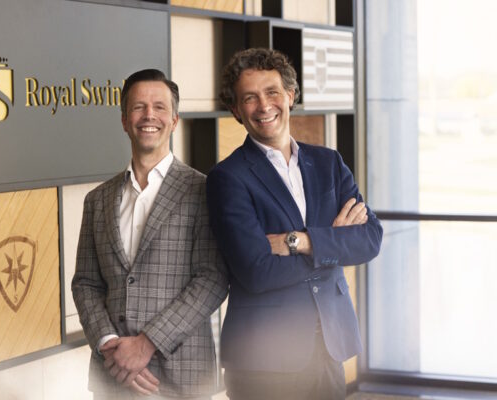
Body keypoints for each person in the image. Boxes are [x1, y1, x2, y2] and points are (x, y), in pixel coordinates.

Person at [206, 48, 383, 400]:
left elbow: (369, 239)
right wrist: (332, 243)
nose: (264, 106)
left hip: (329, 346)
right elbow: (256, 270)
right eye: (249, 98)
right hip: (264, 357)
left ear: (290, 95)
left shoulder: (329, 163)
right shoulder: (227, 177)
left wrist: (299, 241)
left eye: (272, 92)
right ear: (236, 110)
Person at [72, 68, 228, 400]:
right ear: (124, 120)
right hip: (113, 377)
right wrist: (109, 346)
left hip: (181, 377)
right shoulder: (97, 201)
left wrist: (146, 344)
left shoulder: (203, 191)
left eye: (159, 107)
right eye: (138, 107)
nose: (149, 115)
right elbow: (85, 283)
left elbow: (212, 280)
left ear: (174, 120)